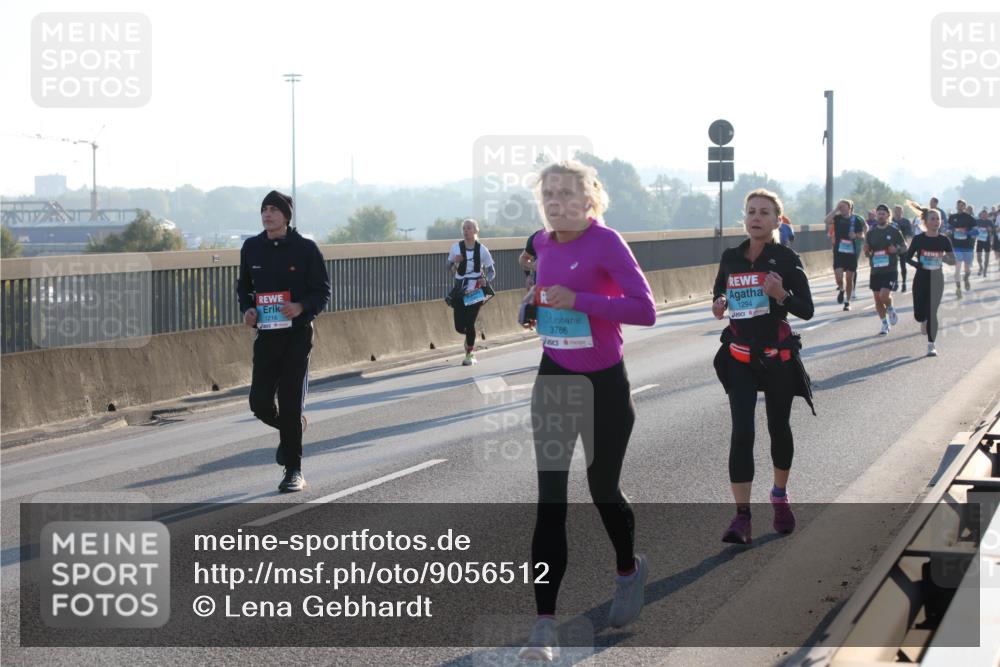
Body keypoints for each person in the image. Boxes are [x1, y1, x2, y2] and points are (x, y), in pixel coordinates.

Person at [517, 160, 656, 661]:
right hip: (554, 378)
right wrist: (532, 307)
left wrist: (580, 299)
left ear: (589, 201)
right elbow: (544, 299)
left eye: (566, 193)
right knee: (550, 500)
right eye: (548, 194)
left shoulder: (607, 243)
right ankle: (544, 627)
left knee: (602, 490)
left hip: (605, 386)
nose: (555, 202)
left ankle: (628, 568)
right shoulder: (542, 243)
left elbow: (645, 310)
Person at [711, 188, 815, 546]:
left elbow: (806, 309)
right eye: (751, 211)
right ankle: (742, 516)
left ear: (776, 220)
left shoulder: (786, 259)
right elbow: (719, 292)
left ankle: (779, 496)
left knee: (778, 428)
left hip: (776, 358)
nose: (756, 217)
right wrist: (719, 303)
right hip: (740, 357)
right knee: (742, 432)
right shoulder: (731, 257)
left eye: (764, 212)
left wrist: (781, 295)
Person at [237, 190, 331, 493]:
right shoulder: (251, 248)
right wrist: (248, 309)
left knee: (290, 402)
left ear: (287, 216)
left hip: (297, 336)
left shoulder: (306, 249)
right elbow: (244, 288)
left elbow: (322, 292)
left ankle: (293, 470)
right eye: (264, 209)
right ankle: (293, 427)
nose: (267, 214)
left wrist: (301, 307)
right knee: (259, 403)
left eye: (274, 210)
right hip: (267, 336)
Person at [905, 208, 954, 356]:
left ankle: (931, 345)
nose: (936, 221)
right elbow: (907, 258)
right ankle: (923, 319)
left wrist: (943, 258)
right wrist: (917, 265)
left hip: (937, 279)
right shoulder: (918, 239)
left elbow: (953, 260)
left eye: (938, 219)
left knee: (932, 312)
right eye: (932, 219)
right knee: (919, 315)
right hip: (921, 278)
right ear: (925, 222)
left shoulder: (944, 240)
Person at [448, 218, 496, 366]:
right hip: (460, 290)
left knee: (470, 322)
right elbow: (449, 268)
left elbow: (491, 271)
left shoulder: (482, 249)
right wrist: (454, 262)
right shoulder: (456, 248)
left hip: (476, 290)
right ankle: (469, 336)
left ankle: (469, 353)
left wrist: (485, 280)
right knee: (459, 326)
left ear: (475, 230)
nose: (466, 231)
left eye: (469, 228)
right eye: (464, 228)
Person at [864, 204, 908, 335]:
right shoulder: (871, 233)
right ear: (876, 215)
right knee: (877, 299)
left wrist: (897, 249)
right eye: (879, 214)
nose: (881, 216)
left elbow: (905, 247)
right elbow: (868, 253)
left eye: (883, 214)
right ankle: (884, 324)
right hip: (875, 270)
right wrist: (866, 251)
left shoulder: (894, 231)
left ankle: (890, 308)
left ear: (888, 215)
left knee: (884, 295)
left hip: (890, 270)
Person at [824, 199, 866, 310]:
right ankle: (841, 289)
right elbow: (826, 220)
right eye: (840, 206)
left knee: (849, 279)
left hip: (851, 253)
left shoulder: (856, 220)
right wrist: (835, 209)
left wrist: (855, 236)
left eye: (843, 206)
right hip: (839, 252)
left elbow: (862, 235)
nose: (841, 208)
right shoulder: (837, 218)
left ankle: (847, 302)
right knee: (838, 278)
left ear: (849, 208)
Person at [946, 199, 977, 298]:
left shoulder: (970, 218)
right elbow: (948, 228)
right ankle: (958, 289)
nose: (960, 207)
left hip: (968, 247)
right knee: (957, 269)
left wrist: (966, 232)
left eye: (962, 205)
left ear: (964, 207)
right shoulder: (952, 217)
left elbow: (976, 232)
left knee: (967, 269)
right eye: (958, 205)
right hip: (956, 247)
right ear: (956, 206)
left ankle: (966, 278)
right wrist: (949, 231)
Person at [891, 205, 915, 292]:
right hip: (893, 245)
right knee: (893, 265)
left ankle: (904, 283)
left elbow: (910, 234)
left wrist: (909, 245)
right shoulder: (891, 221)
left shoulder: (906, 221)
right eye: (896, 211)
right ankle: (895, 282)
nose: (897, 212)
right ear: (893, 212)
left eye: (899, 211)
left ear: (902, 212)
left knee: (903, 265)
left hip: (903, 245)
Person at [975, 208, 995, 277]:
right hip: (979, 241)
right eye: (983, 214)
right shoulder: (977, 221)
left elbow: (994, 231)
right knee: (978, 257)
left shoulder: (990, 222)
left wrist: (990, 229)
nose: (984, 216)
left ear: (987, 215)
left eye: (985, 215)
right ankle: (981, 267)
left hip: (987, 241)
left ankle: (985, 271)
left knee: (987, 257)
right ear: (980, 215)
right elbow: (973, 228)